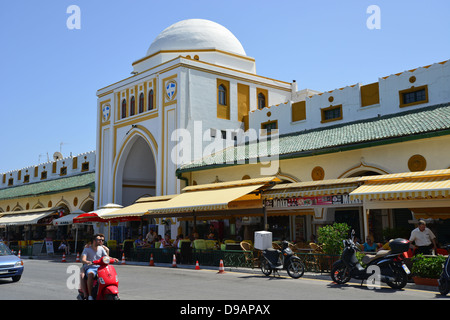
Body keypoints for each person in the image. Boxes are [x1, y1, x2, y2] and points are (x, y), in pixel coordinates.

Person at [80, 234, 118, 300]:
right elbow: (83, 259)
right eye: (99, 240)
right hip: (90, 267)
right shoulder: (87, 249)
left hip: (100, 267)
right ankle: (90, 295)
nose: (101, 241)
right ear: (94, 241)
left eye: (102, 240)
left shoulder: (101, 249)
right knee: (90, 274)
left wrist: (114, 258)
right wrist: (88, 262)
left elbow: (106, 257)